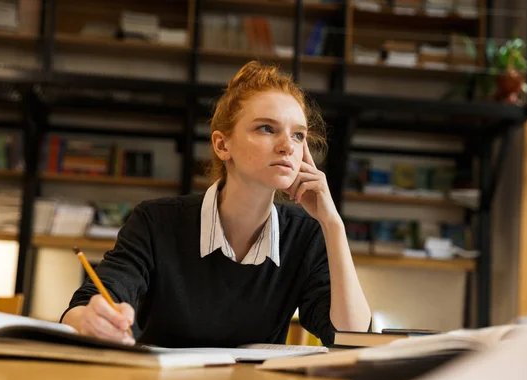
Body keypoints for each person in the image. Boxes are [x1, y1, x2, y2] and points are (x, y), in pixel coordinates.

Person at [60, 61, 371, 348]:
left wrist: (333, 224)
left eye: (298, 135)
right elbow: (83, 307)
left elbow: (351, 339)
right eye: (267, 128)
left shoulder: (306, 236)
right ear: (223, 145)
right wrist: (89, 320)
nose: (287, 145)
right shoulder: (155, 221)